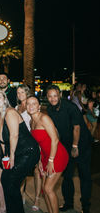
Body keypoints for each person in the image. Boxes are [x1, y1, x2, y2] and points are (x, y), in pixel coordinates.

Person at [0, 89, 40, 213]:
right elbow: (2, 143)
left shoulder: (10, 112)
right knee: (5, 180)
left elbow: (14, 135)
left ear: (4, 100)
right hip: (17, 153)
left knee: (11, 182)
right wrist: (4, 160)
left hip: (28, 151)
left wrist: (12, 157)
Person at [46, 85, 92, 213]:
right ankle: (68, 203)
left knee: (84, 175)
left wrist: (75, 146)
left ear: (59, 95)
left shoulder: (70, 107)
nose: (52, 98)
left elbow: (76, 128)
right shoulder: (50, 109)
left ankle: (86, 207)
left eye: (55, 95)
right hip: (66, 144)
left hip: (81, 144)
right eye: (50, 96)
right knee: (67, 176)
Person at [27, 96, 69, 213]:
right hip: (46, 155)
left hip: (57, 155)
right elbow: (39, 144)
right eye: (28, 104)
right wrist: (40, 159)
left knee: (48, 188)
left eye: (34, 103)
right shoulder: (32, 121)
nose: (31, 106)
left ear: (39, 106)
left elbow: (55, 139)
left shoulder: (44, 118)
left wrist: (50, 161)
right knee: (45, 191)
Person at [16, 84, 41, 210]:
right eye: (18, 92)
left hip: (34, 141)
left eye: (22, 92)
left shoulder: (31, 106)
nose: (20, 95)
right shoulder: (17, 107)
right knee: (22, 170)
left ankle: (37, 199)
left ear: (27, 93)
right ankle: (21, 195)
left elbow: (36, 124)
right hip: (21, 143)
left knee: (37, 170)